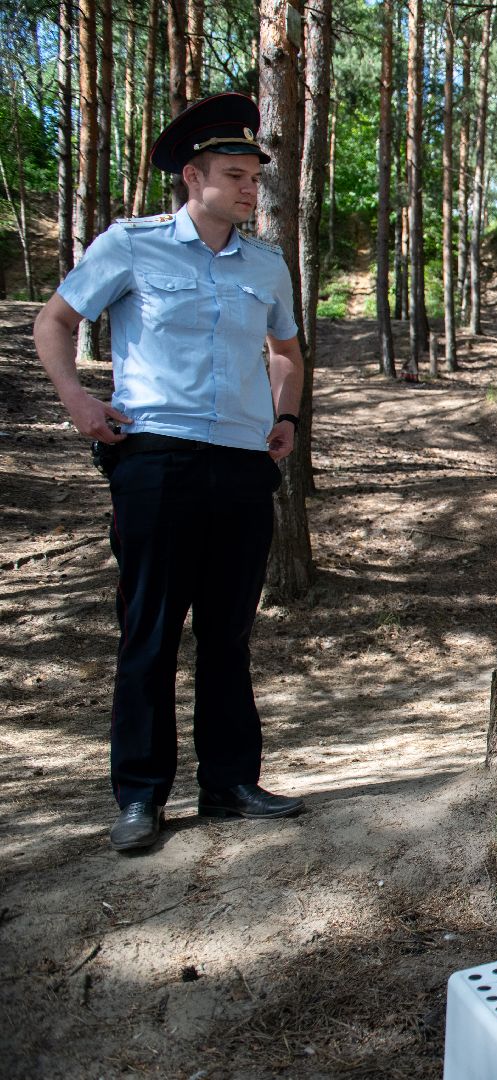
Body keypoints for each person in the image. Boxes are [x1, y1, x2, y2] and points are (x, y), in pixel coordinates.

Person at [32, 93, 307, 852]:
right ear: (193, 177)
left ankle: (228, 782)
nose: (252, 188)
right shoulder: (131, 245)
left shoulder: (266, 263)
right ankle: (141, 798)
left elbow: (286, 353)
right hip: (156, 462)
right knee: (149, 633)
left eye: (255, 175)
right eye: (236, 174)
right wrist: (78, 402)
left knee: (228, 634)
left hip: (244, 467)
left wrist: (284, 419)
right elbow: (54, 322)